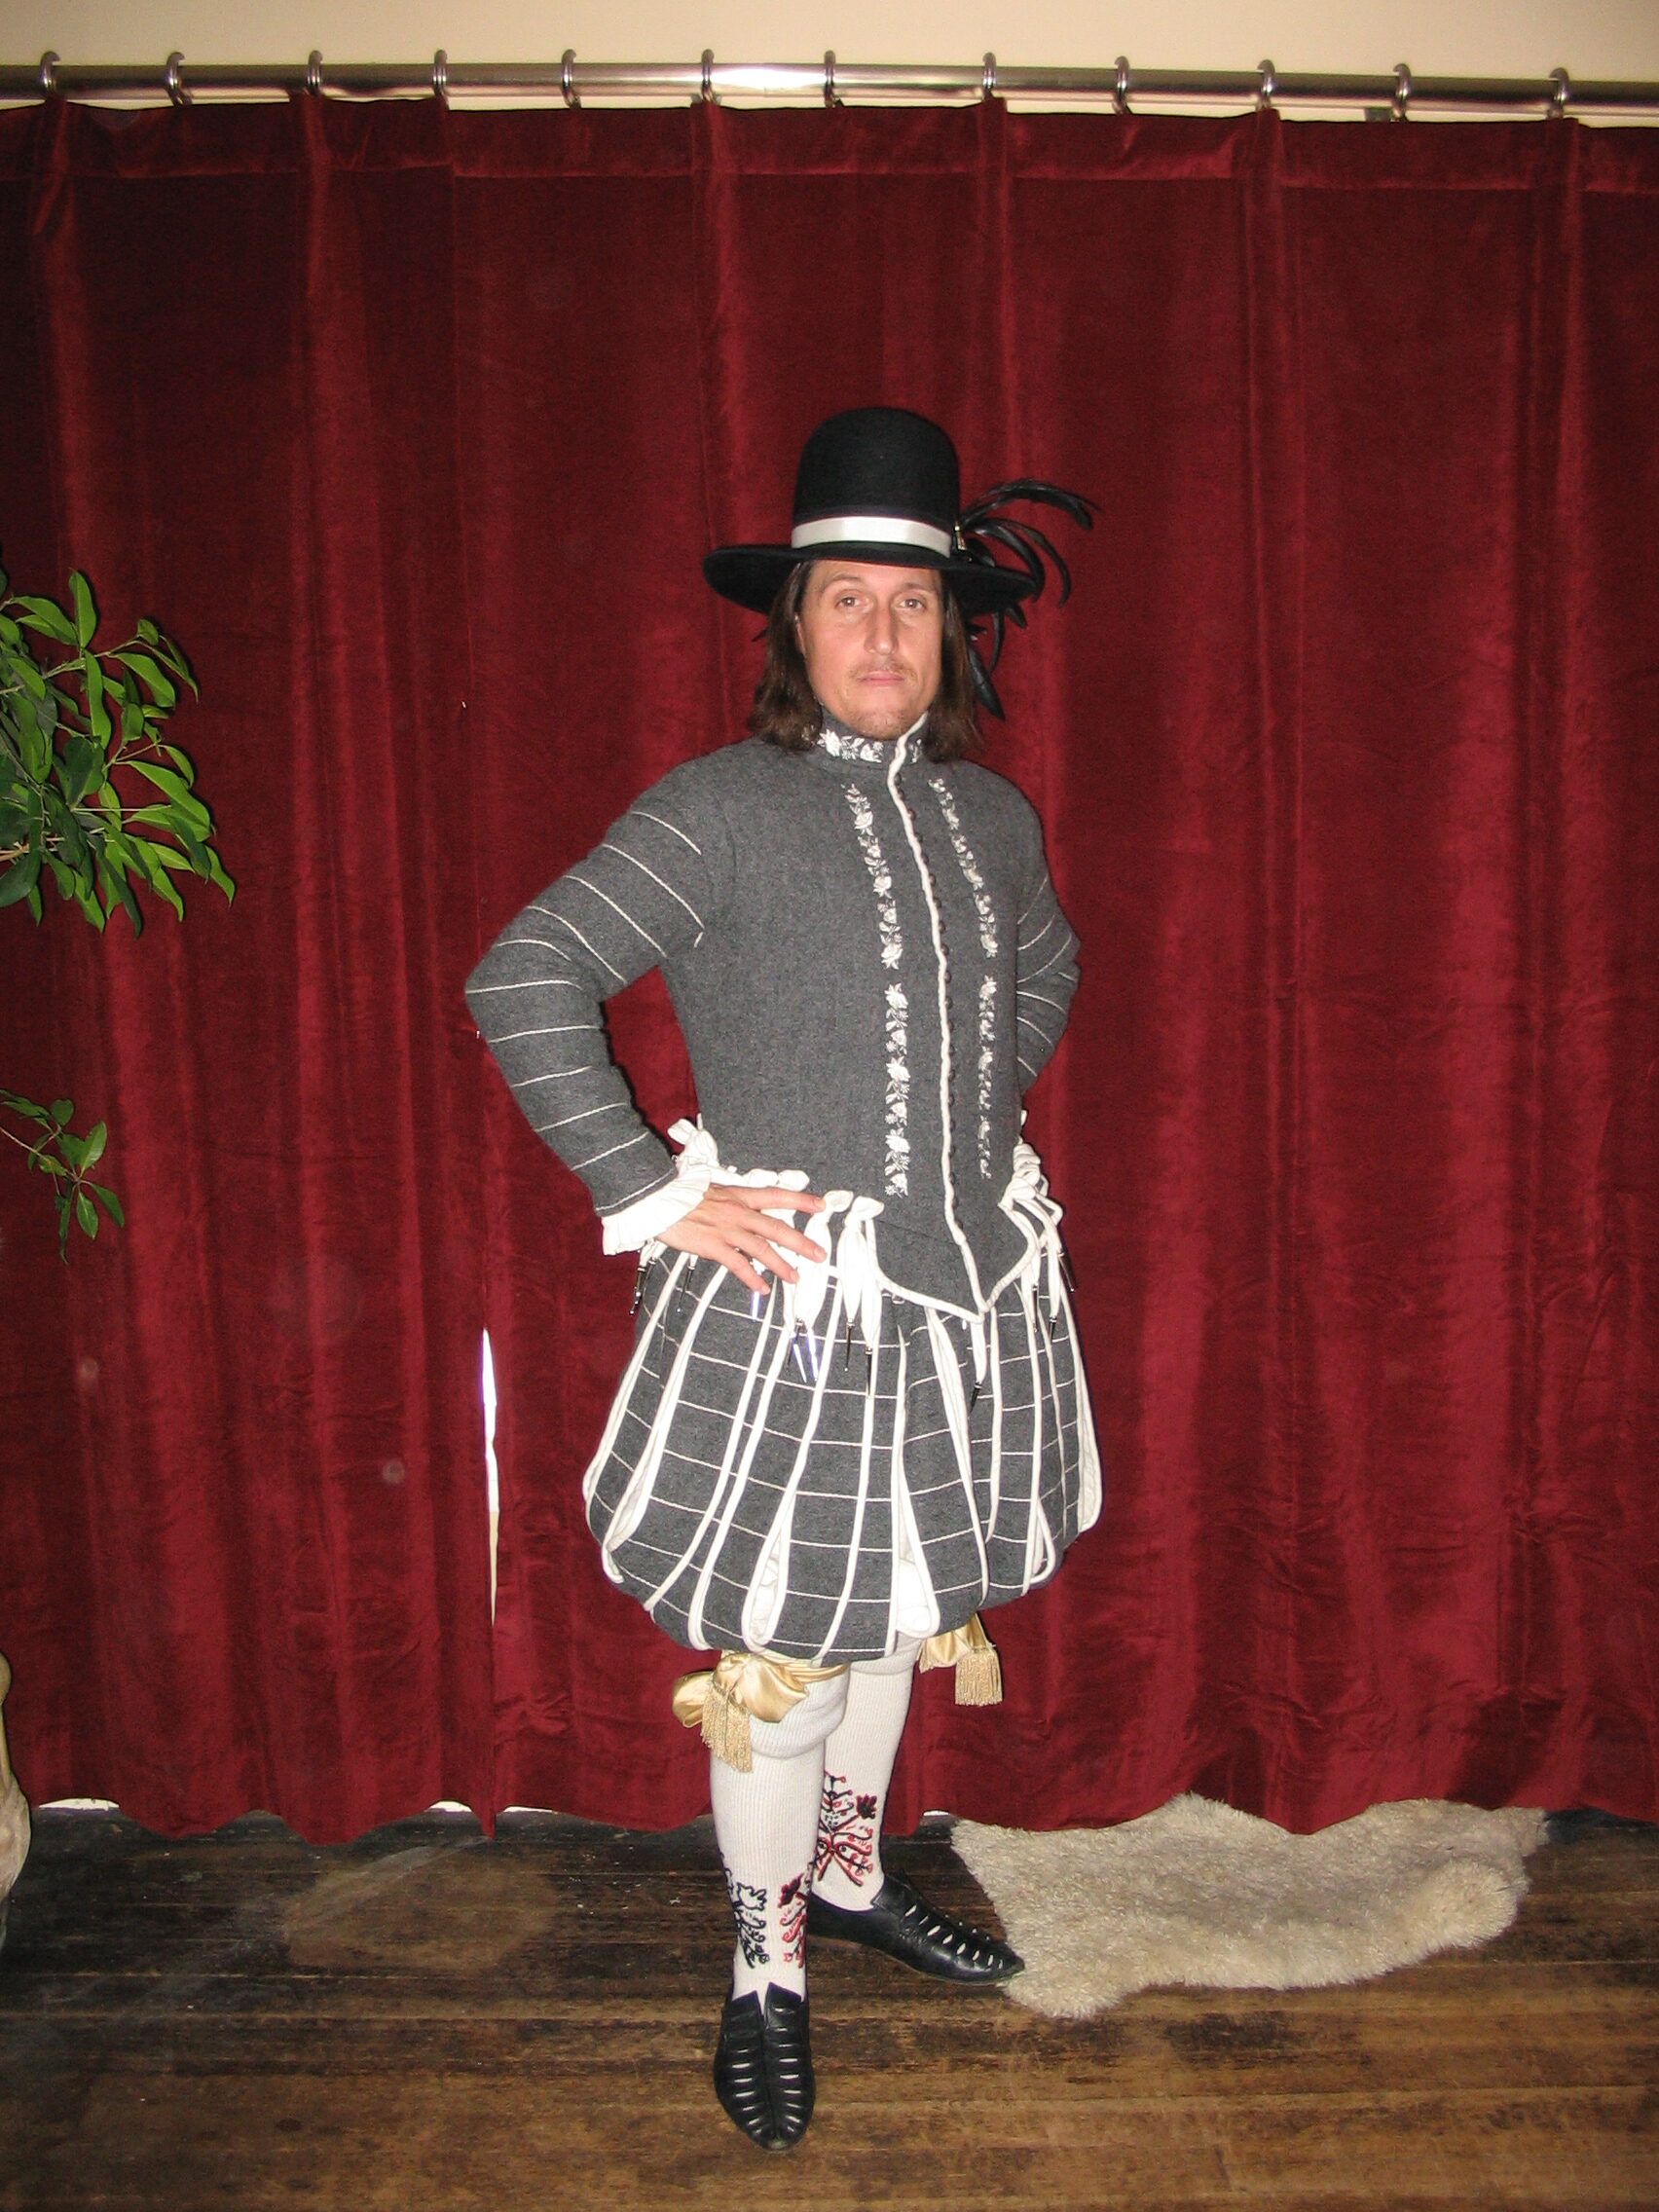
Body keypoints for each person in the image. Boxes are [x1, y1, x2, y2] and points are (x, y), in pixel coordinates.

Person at [466, 406, 1101, 2150]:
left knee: (898, 1612)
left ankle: (852, 1874)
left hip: (967, 1301)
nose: (883, 634)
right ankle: (765, 1965)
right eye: (847, 600)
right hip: (795, 1318)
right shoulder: (717, 810)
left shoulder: (991, 817)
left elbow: (1048, 965)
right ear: (793, 626)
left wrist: (975, 1125)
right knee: (792, 1660)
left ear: (951, 628)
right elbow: (526, 977)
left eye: (915, 600)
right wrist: (652, 1194)